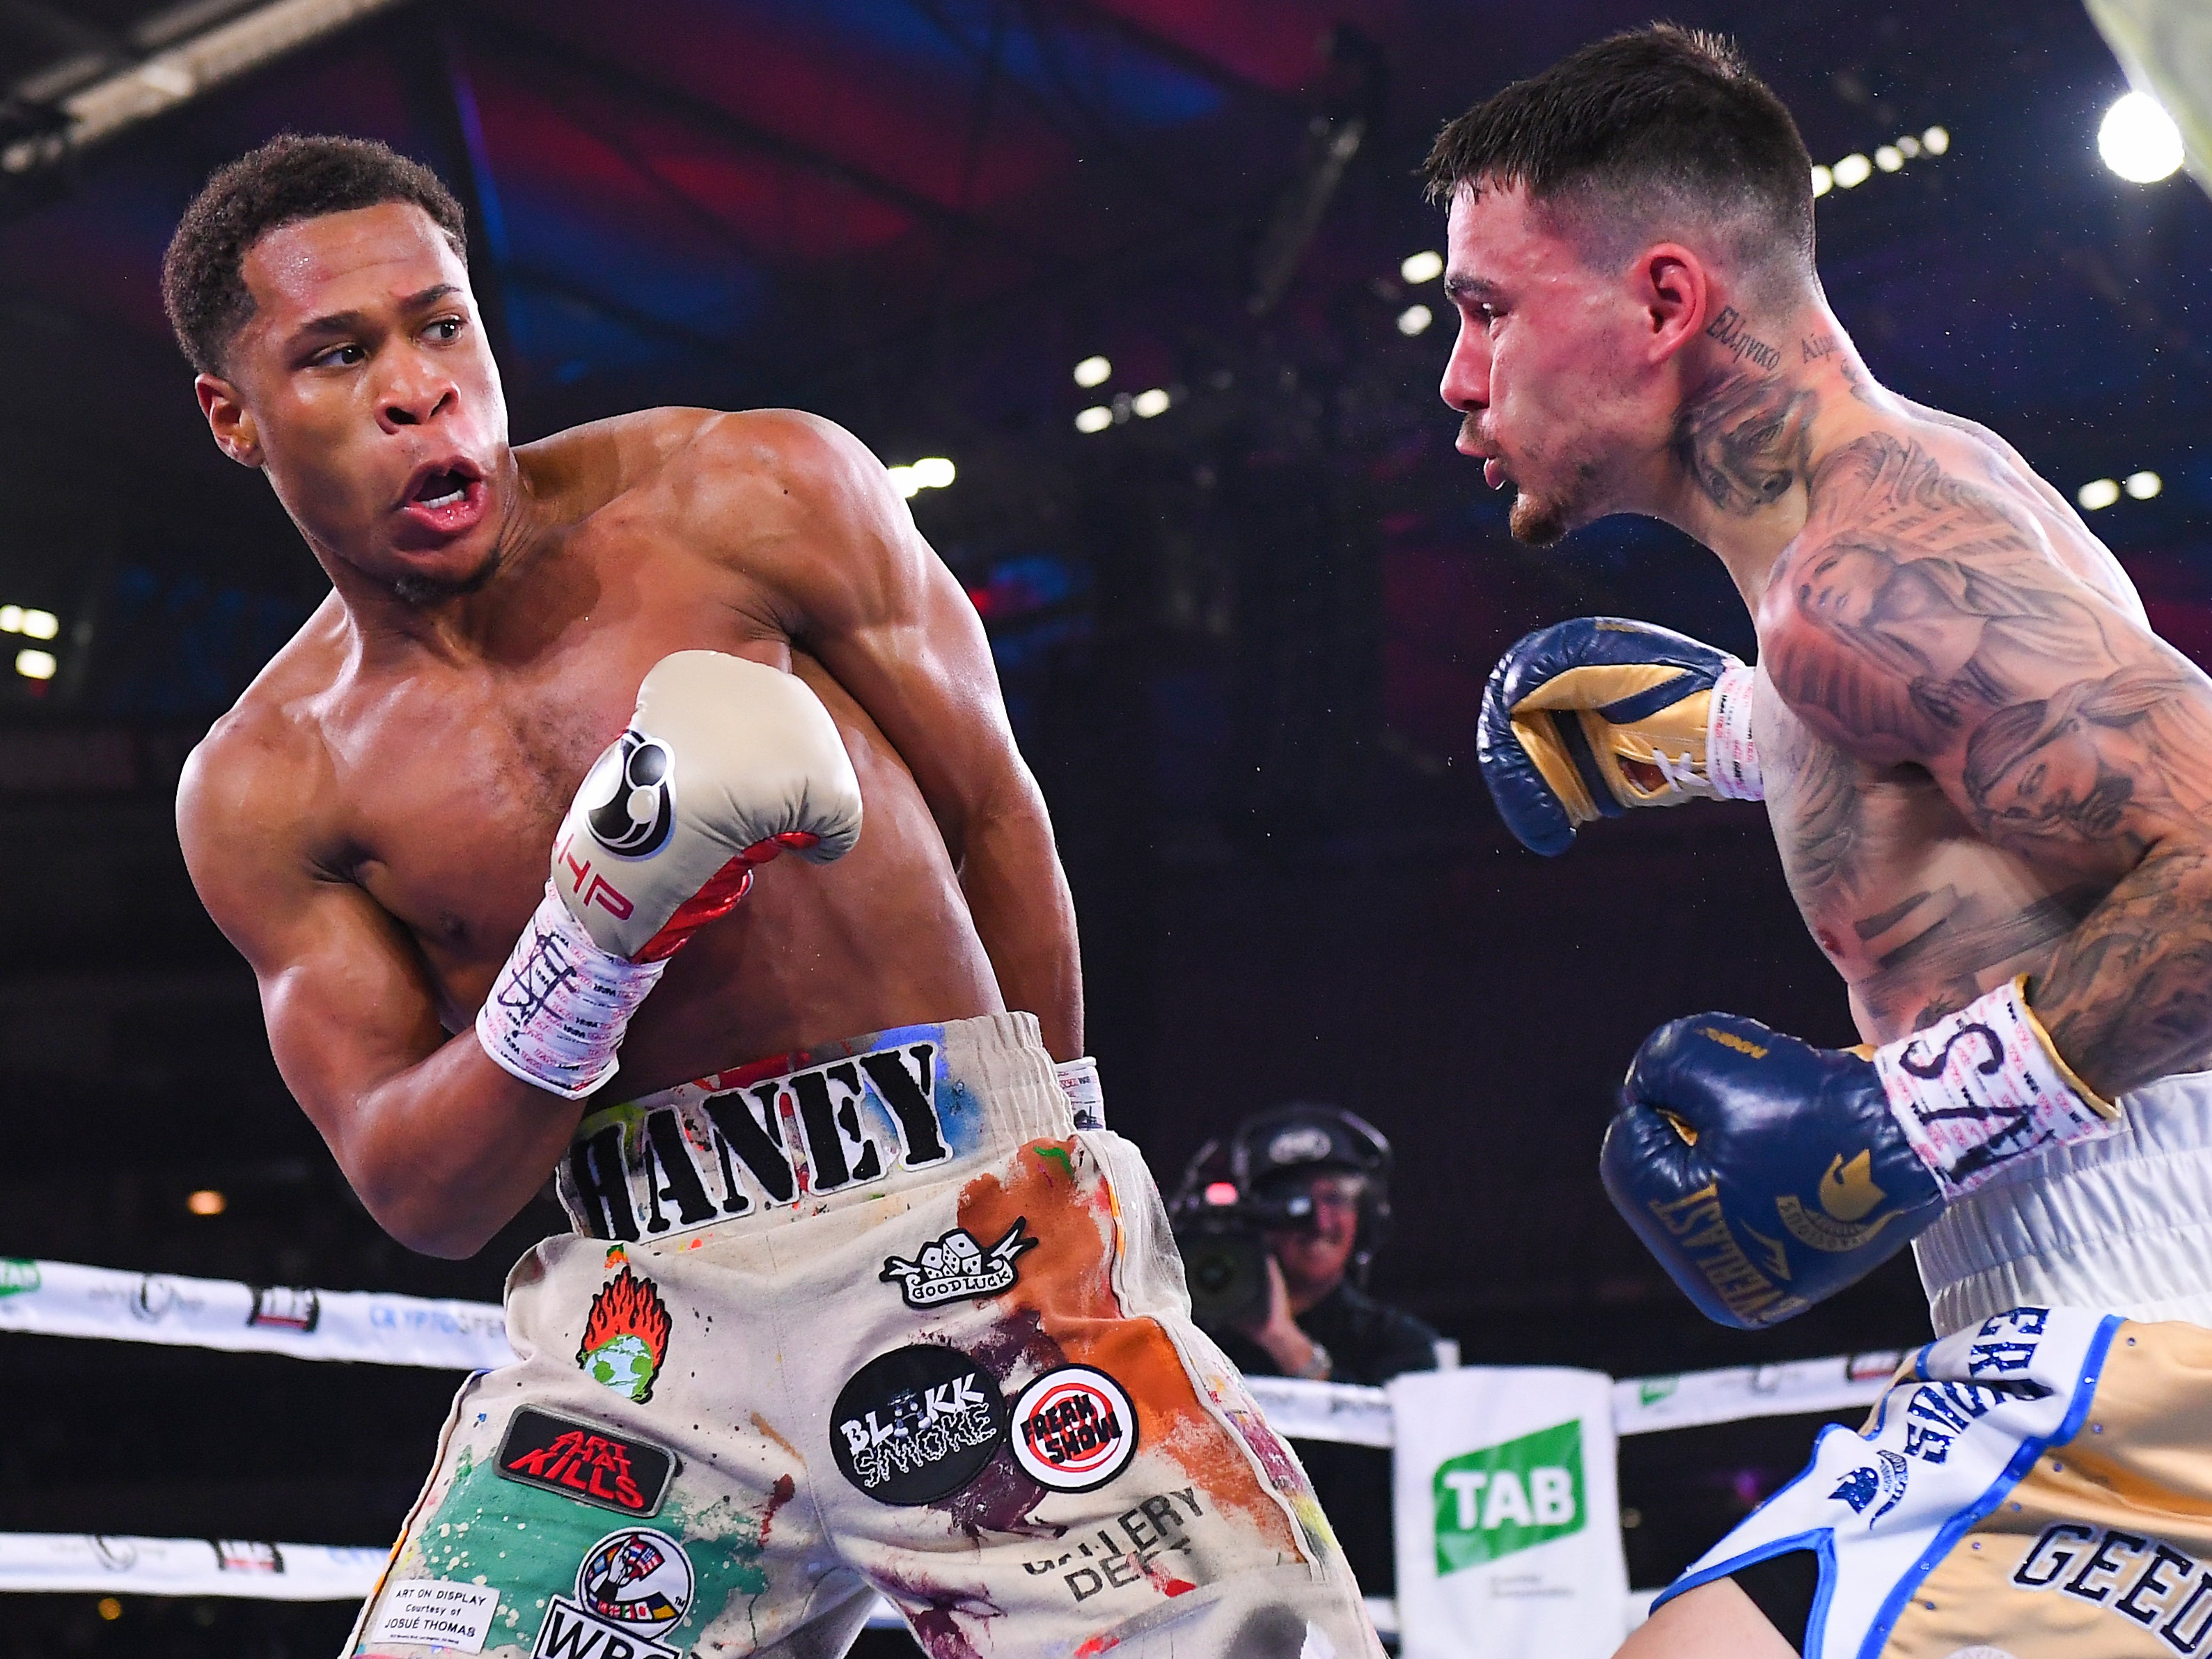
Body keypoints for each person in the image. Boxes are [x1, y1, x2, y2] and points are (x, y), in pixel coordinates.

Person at [166, 134, 1381, 1659]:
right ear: (235, 415)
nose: (419, 388)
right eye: (338, 355)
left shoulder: (751, 487)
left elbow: (996, 812)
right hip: (642, 1330)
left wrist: (1050, 1160)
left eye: (441, 325)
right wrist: (591, 938)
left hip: (972, 1236)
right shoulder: (268, 782)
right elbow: (424, 1191)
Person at [1431, 28, 2212, 1659]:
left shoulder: (1872, 566)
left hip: (2121, 1366)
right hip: (2093, 1349)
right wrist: (1720, 732)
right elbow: (1982, 775)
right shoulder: (1862, 556)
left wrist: (1900, 1114)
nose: (1454, 375)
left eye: (1483, 309)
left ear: (1660, 301)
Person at [1206, 1106, 1443, 1390]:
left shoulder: (1400, 1343)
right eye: (1295, 1202)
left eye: (1335, 1198)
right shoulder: (1200, 1340)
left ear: (1365, 1218)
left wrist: (1282, 1340)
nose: (1319, 1221)